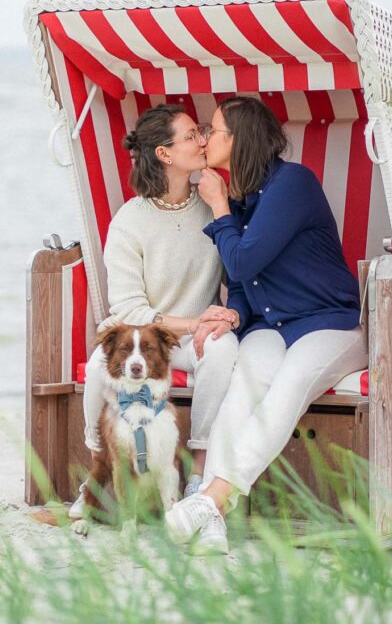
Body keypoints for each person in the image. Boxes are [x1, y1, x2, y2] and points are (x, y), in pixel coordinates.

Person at [164, 96, 368, 553]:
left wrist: (217, 205)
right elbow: (244, 281)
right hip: (272, 326)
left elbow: (244, 258)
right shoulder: (242, 199)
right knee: (245, 384)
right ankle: (213, 522)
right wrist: (234, 311)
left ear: (237, 139)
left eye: (213, 130)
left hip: (329, 324)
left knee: (290, 383)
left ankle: (211, 499)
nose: (206, 137)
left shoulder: (292, 184)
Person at [68, 103, 239, 519]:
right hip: (143, 340)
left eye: (202, 132)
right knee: (96, 368)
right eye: (191, 136)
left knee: (222, 349)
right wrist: (194, 320)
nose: (202, 140)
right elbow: (128, 307)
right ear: (164, 154)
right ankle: (99, 470)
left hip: (193, 338)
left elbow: (238, 268)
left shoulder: (214, 202)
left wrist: (221, 317)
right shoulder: (130, 220)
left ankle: (198, 471)